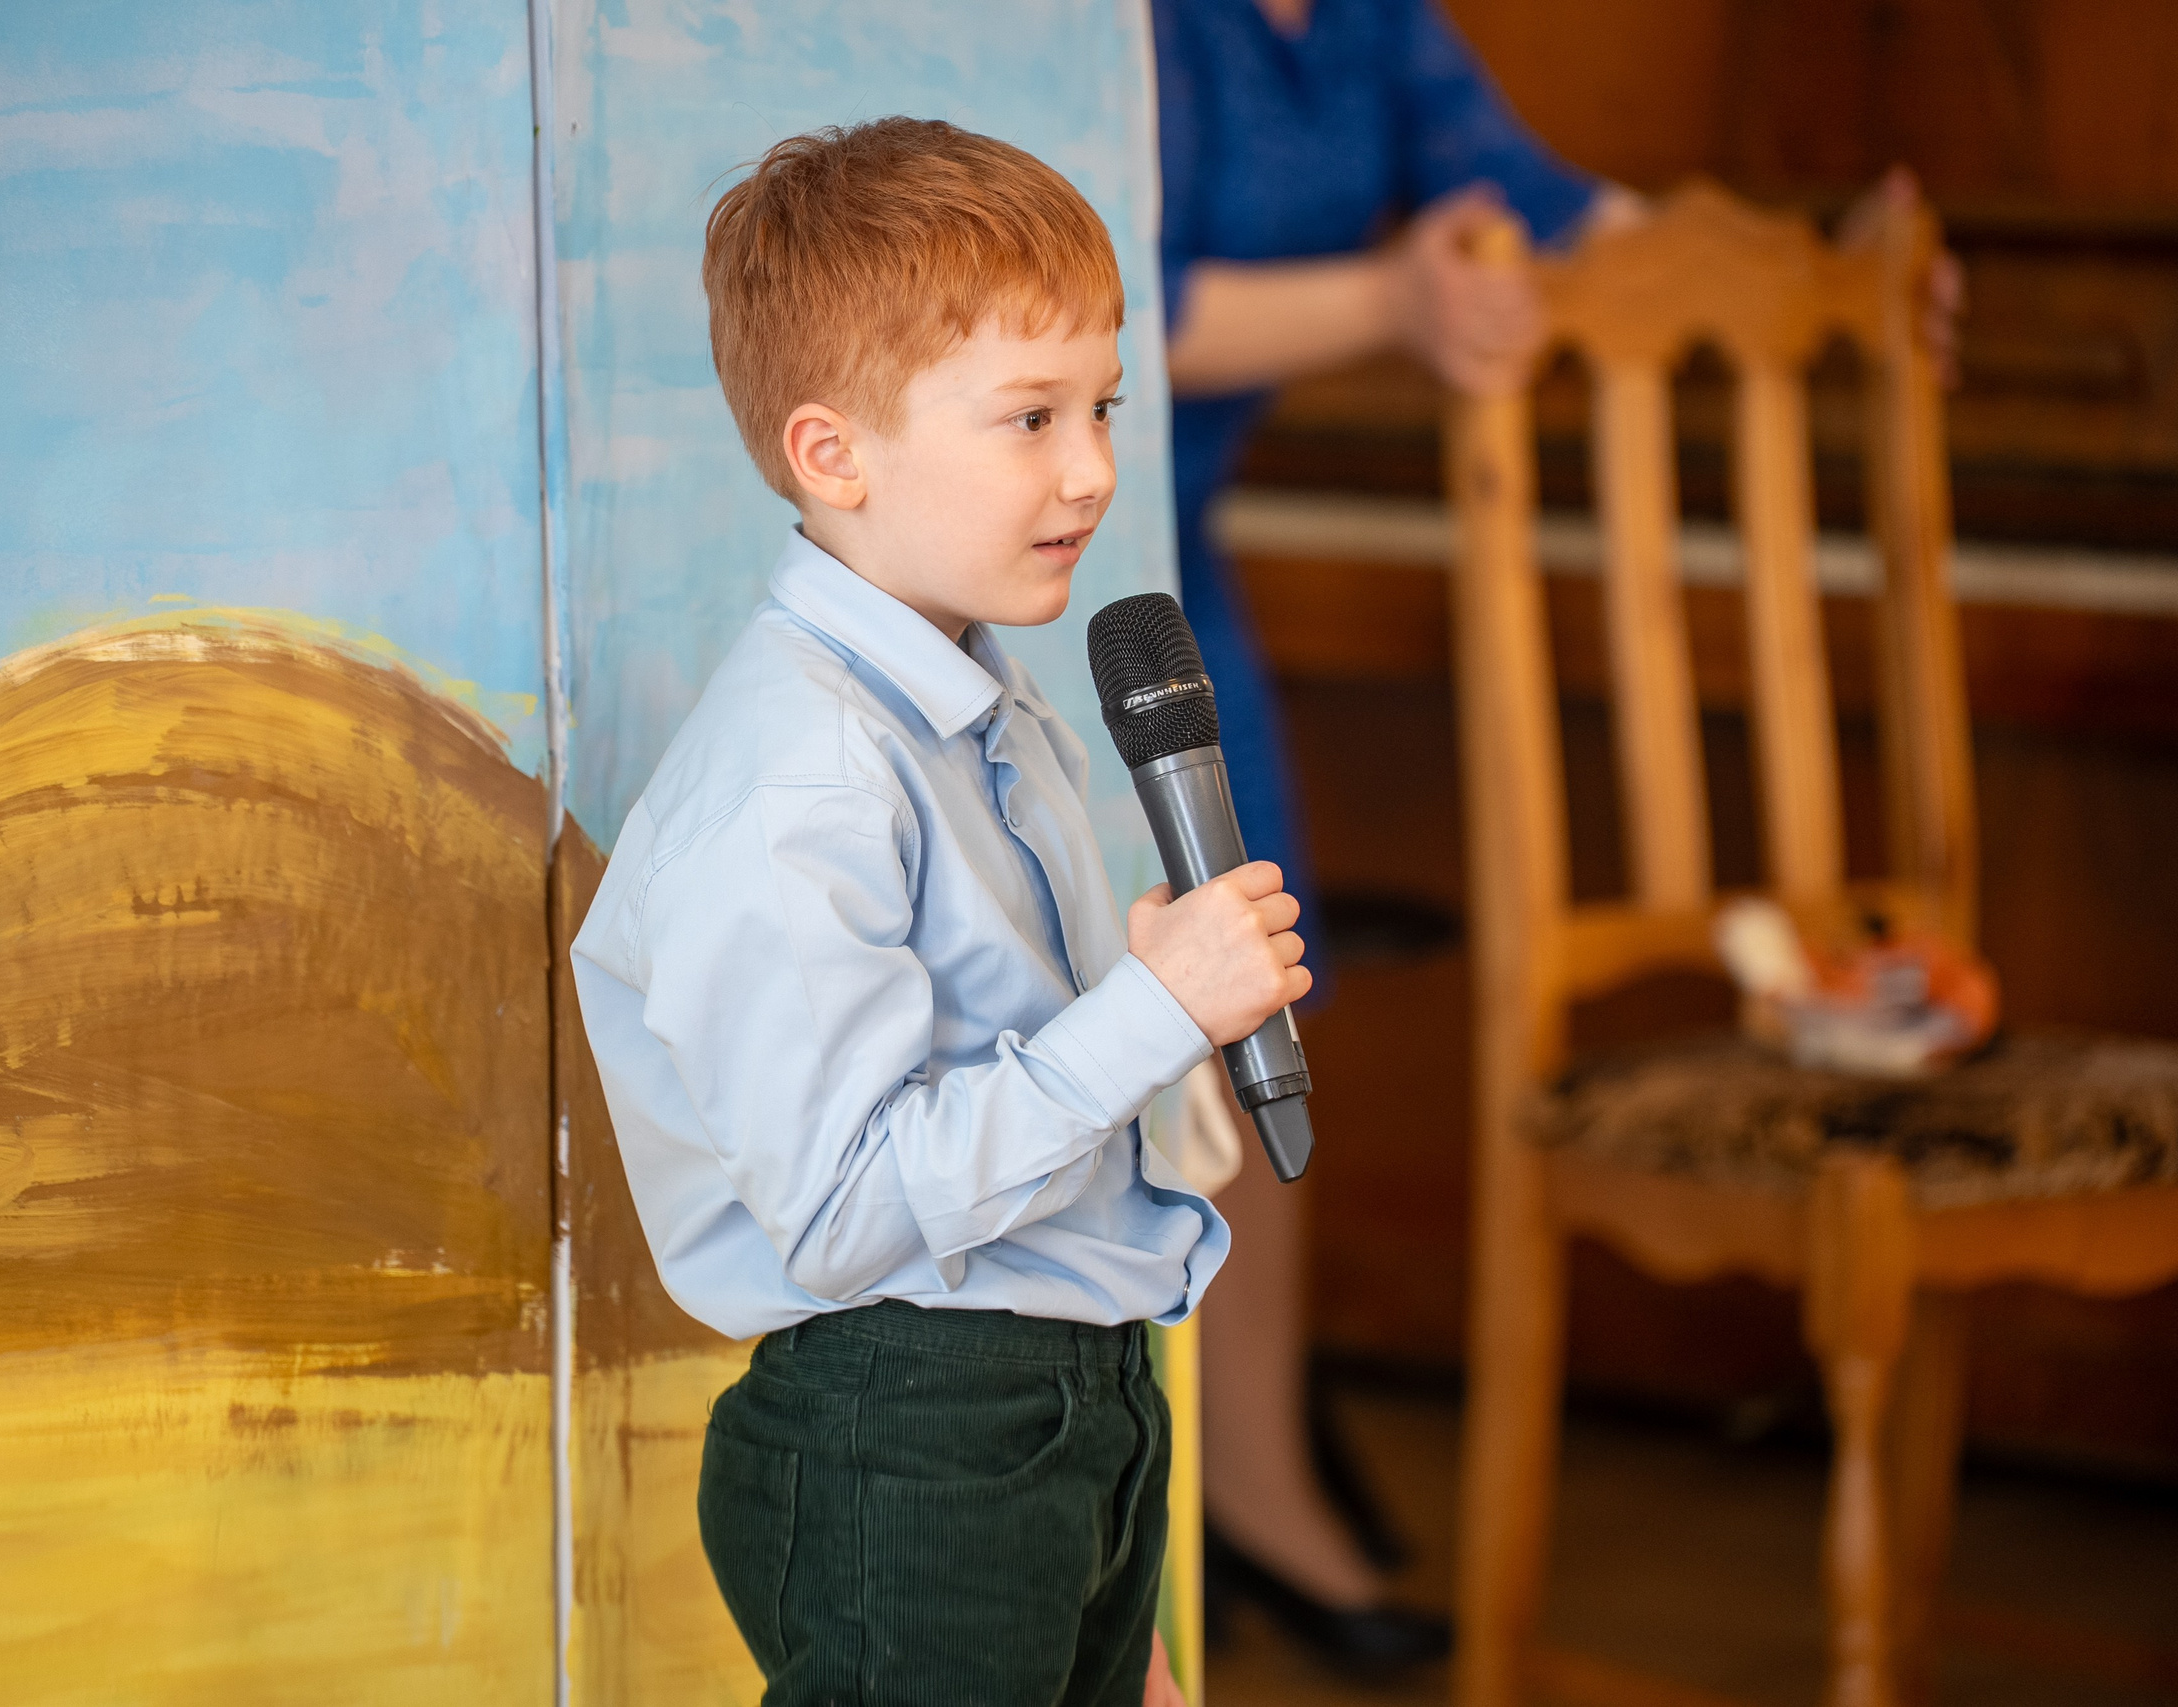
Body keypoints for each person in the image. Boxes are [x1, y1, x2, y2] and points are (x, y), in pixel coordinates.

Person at [1155, 0, 1962, 1683]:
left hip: (1178, 564)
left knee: (1254, 1032)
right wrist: (1394, 299)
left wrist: (1835, 283)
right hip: (1031, 545)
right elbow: (1094, 308)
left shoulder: (1373, 29)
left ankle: (1257, 1492)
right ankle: (1131, 1518)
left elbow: (1569, 220)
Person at [571, 118, 1311, 1707]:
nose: (1095, 467)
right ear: (832, 454)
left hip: (1072, 1411)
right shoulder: (800, 786)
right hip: (910, 1435)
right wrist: (1149, 1014)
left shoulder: (986, 701)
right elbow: (844, 1213)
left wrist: (1133, 1595)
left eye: (1101, 405)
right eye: (1030, 416)